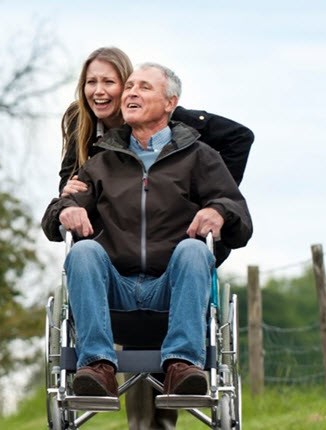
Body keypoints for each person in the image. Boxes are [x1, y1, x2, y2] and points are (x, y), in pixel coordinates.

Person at [53, 47, 254, 429]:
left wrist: (218, 210)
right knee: (84, 253)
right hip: (117, 286)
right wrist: (66, 207)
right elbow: (57, 207)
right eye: (127, 86)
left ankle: (183, 365)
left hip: (171, 284)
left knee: (193, 250)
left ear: (170, 104)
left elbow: (239, 213)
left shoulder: (199, 156)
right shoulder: (101, 159)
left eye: (141, 87)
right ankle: (96, 366)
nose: (126, 93)